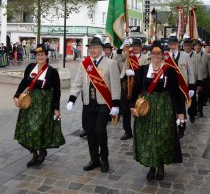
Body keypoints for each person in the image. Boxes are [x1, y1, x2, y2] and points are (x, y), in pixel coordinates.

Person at [130, 41, 186, 181]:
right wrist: (132, 106)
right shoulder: (142, 70)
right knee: (148, 138)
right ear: (150, 54)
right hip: (146, 108)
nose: (156, 55)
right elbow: (136, 89)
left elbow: (176, 92)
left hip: (164, 108)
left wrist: (180, 112)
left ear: (163, 55)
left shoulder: (169, 70)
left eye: (158, 53)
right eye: (153, 53)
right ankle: (151, 166)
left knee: (162, 137)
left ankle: (160, 166)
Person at [67, 36, 121, 173]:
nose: (92, 50)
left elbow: (115, 85)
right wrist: (72, 98)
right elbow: (78, 82)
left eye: (95, 48)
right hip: (88, 104)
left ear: (101, 49)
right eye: (90, 48)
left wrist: (115, 105)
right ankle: (94, 159)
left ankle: (104, 159)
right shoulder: (84, 64)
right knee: (90, 133)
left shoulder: (111, 63)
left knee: (100, 131)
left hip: (103, 104)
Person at [13, 44, 65, 167]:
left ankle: (42, 151)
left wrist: (56, 108)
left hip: (44, 104)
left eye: (42, 55)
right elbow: (23, 83)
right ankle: (34, 154)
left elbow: (57, 91)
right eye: (37, 55)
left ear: (46, 56)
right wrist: (16, 96)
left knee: (39, 128)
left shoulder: (52, 71)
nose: (40, 57)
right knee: (29, 128)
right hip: (29, 102)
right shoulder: (30, 67)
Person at [116, 37, 149, 140]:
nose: (135, 48)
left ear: (141, 48)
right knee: (125, 109)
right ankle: (127, 131)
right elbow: (118, 57)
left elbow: (144, 73)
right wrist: (122, 46)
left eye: (137, 46)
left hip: (137, 85)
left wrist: (134, 72)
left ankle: (139, 130)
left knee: (137, 107)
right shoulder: (128, 54)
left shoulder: (145, 57)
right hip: (126, 84)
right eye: (133, 46)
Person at [183, 38, 203, 120]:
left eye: (188, 46)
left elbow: (200, 70)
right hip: (183, 81)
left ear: (191, 46)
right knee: (182, 99)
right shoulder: (180, 55)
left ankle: (192, 113)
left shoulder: (197, 56)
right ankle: (182, 115)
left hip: (193, 81)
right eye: (185, 46)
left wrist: (199, 83)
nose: (187, 47)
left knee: (192, 98)